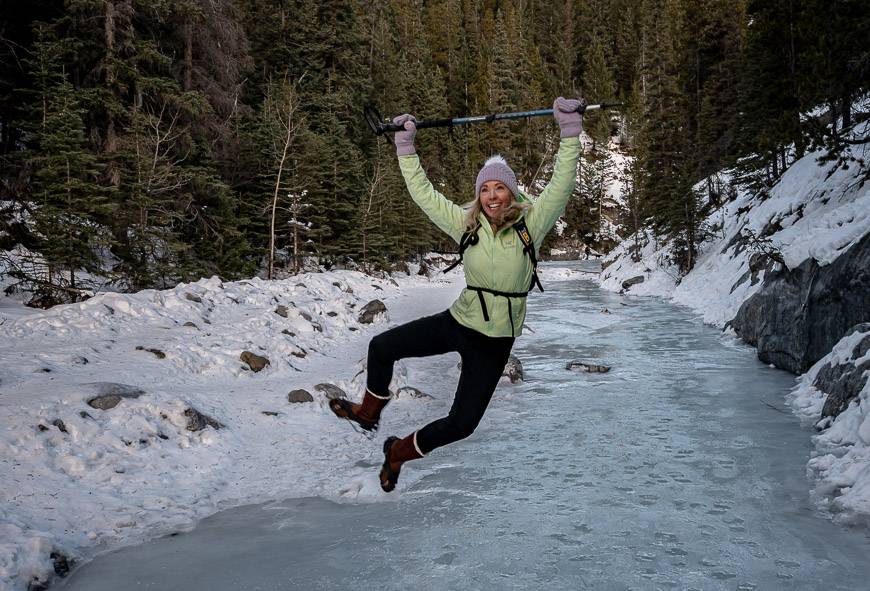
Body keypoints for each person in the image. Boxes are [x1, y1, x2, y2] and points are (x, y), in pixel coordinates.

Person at [330, 97, 584, 492]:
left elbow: (561, 185)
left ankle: (397, 453)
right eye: (486, 189)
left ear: (512, 193)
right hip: (459, 322)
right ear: (479, 194)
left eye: (501, 187)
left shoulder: (531, 225)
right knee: (382, 347)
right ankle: (368, 412)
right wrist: (406, 148)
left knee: (462, 424)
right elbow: (425, 195)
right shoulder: (466, 226)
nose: (493, 195)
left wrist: (570, 133)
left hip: (495, 342)